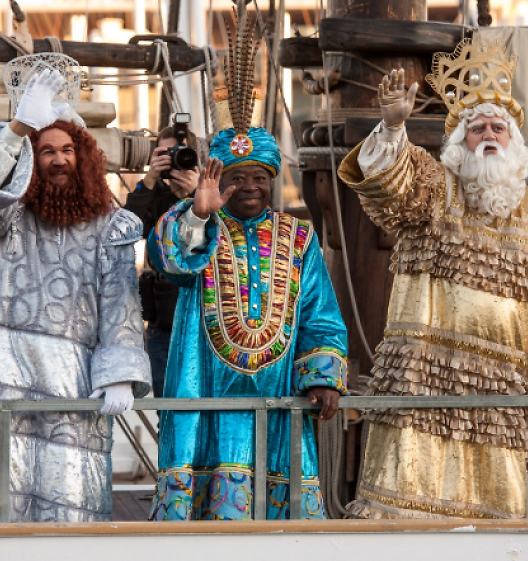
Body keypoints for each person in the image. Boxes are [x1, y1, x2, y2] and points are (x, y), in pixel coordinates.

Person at [337, 38, 528, 519]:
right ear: (458, 141)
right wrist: (393, 129)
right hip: (419, 386)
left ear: (515, 143)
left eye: (499, 128)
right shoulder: (433, 190)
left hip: (499, 394)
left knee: (495, 522)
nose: (489, 135)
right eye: (477, 129)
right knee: (402, 514)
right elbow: (393, 187)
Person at [147, 8, 348, 519]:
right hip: (206, 386)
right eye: (236, 177)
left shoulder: (297, 235)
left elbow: (321, 313)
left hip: (280, 396)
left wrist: (323, 375)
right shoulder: (196, 223)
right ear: (218, 179)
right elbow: (169, 260)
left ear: (274, 179)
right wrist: (198, 210)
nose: (250, 186)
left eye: (260, 176)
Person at [0, 64, 151, 523]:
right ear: (30, 158)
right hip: (2, 376)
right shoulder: (5, 217)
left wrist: (119, 371)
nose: (59, 159)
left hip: (72, 383)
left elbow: (121, 301)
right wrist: (18, 126)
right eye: (46, 151)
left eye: (67, 150)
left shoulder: (110, 223)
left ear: (84, 157)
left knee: (71, 500)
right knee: (2, 491)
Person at [123, 125, 199, 398]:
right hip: (163, 326)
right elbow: (128, 228)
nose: (174, 159)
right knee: (167, 410)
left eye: (180, 153)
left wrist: (197, 196)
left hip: (203, 325)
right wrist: (150, 179)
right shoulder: (155, 198)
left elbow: (219, 238)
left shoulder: (208, 197)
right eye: (165, 154)